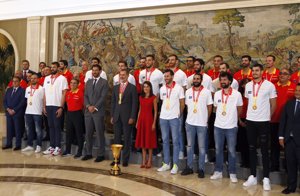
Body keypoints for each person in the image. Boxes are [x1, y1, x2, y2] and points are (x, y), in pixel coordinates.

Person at [243, 64, 277, 191]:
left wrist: (267, 117)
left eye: (257, 70)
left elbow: (274, 104)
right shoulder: (248, 86)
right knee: (251, 148)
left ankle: (266, 178)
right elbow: (248, 102)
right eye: (254, 71)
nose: (255, 73)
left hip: (263, 122)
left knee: (264, 150)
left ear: (262, 72)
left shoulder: (269, 85)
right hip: (250, 121)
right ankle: (253, 176)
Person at [210, 72, 243, 183]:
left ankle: (232, 173)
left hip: (231, 127)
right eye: (221, 80)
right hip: (218, 126)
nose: (223, 82)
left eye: (225, 80)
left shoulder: (237, 94)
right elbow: (215, 108)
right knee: (218, 150)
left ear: (230, 81)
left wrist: (234, 119)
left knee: (231, 150)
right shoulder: (217, 94)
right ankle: (218, 171)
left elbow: (240, 109)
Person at [181, 73, 213, 178]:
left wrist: (206, 120)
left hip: (201, 124)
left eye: (198, 79)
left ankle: (201, 169)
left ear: (201, 80)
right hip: (190, 123)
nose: (195, 80)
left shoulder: (207, 92)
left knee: (202, 148)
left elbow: (209, 107)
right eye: (194, 78)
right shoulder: (188, 91)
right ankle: (189, 167)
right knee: (189, 147)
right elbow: (186, 106)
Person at [157, 69, 185, 174]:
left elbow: (182, 102)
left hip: (174, 118)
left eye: (168, 76)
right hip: (164, 117)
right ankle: (166, 163)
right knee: (164, 140)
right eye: (165, 76)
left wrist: (179, 114)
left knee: (175, 141)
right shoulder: (162, 88)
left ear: (172, 77)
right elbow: (163, 101)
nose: (166, 78)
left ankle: (175, 164)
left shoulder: (178, 88)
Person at [270, 68, 296, 171]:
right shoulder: (273, 86)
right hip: (274, 119)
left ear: (289, 76)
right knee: (274, 144)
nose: (282, 75)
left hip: (288, 122)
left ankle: (287, 166)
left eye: (285, 74)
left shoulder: (294, 87)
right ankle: (274, 165)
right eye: (280, 73)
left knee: (288, 145)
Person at [111, 69, 138, 167]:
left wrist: (132, 117)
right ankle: (116, 159)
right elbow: (113, 102)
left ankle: (125, 159)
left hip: (127, 117)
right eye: (120, 75)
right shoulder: (115, 87)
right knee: (116, 138)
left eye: (123, 75)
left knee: (127, 138)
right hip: (117, 116)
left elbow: (135, 104)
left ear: (127, 76)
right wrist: (112, 115)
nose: (122, 76)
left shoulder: (132, 88)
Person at [82, 64, 109, 162]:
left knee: (99, 133)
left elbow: (103, 97)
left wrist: (95, 107)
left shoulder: (104, 82)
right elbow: (85, 96)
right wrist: (88, 106)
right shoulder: (88, 82)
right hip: (88, 111)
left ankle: (101, 154)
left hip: (98, 112)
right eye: (93, 70)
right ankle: (88, 153)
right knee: (88, 133)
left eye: (96, 70)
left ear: (100, 71)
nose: (94, 72)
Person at [42, 62, 68, 156]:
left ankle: (58, 147)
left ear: (58, 68)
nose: (52, 69)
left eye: (54, 67)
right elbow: (44, 93)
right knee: (50, 126)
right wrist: (44, 106)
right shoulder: (46, 78)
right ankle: (52, 146)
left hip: (57, 105)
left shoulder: (62, 79)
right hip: (48, 105)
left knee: (57, 127)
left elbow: (64, 93)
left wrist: (61, 107)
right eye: (51, 67)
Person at [279, 83, 300, 194]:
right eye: (296, 90)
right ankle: (291, 187)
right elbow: (283, 120)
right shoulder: (289, 103)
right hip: (289, 140)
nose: (297, 92)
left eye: (299, 90)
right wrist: (281, 136)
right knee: (290, 165)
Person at [167, 54, 187, 159]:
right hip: (168, 106)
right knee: (168, 129)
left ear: (177, 62)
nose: (170, 61)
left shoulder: (181, 74)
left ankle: (181, 150)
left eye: (172, 60)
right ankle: (172, 150)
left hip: (178, 105)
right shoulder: (165, 74)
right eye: (169, 60)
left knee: (179, 129)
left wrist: (181, 106)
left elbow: (184, 89)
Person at [135, 81, 158, 168]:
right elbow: (140, 110)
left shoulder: (154, 98)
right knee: (143, 141)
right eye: (144, 87)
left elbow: (155, 112)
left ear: (150, 88)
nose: (145, 88)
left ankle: (150, 160)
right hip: (142, 120)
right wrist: (137, 121)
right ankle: (143, 160)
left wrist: (154, 123)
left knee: (149, 141)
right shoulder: (141, 97)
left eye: (147, 86)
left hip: (149, 120)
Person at [21, 74, 44, 153]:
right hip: (28, 112)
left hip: (37, 112)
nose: (33, 79)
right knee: (29, 129)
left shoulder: (41, 89)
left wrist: (43, 109)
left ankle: (39, 146)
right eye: (31, 78)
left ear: (38, 79)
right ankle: (30, 145)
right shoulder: (27, 88)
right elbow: (27, 99)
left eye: (35, 78)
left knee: (38, 130)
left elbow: (44, 100)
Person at [2, 76, 26, 150]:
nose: (14, 82)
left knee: (17, 129)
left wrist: (14, 110)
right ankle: (9, 144)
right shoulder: (9, 90)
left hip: (17, 113)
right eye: (13, 81)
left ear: (19, 82)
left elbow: (22, 102)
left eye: (16, 81)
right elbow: (4, 101)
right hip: (9, 113)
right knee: (9, 129)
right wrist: (8, 109)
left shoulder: (22, 90)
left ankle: (18, 145)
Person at [63, 78, 85, 158]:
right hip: (69, 114)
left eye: (74, 83)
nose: (72, 84)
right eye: (71, 83)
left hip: (77, 114)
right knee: (68, 133)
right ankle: (67, 150)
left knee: (79, 133)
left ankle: (79, 151)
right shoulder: (68, 93)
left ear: (77, 84)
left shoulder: (80, 93)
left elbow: (84, 105)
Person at [237, 78, 250, 168]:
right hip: (240, 120)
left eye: (248, 83)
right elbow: (236, 109)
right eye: (244, 83)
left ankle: (249, 161)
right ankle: (244, 161)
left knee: (249, 142)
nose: (246, 85)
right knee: (242, 142)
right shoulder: (239, 95)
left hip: (250, 120)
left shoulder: (252, 95)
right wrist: (239, 120)